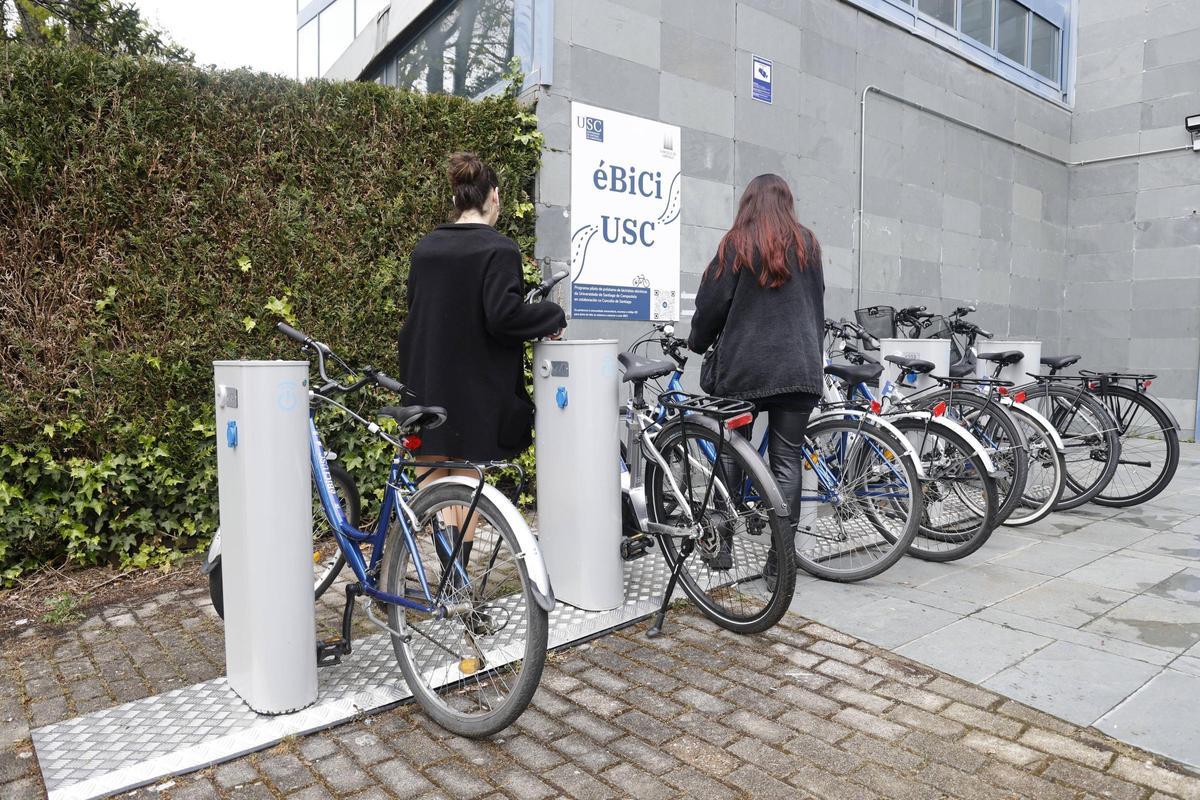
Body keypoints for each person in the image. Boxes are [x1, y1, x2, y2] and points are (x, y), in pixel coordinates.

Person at [398, 151, 565, 581]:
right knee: (467, 489)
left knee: (434, 483)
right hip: (473, 392)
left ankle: (450, 582)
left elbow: (417, 311)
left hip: (424, 381)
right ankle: (458, 583)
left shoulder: (425, 248)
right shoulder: (499, 249)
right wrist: (552, 316)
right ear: (493, 197)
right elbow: (504, 316)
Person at [687, 173, 825, 583]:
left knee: (730, 451)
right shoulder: (808, 245)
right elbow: (816, 304)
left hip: (747, 369)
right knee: (787, 460)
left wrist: (698, 342)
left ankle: (722, 543)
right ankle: (781, 560)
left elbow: (711, 303)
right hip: (799, 368)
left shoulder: (737, 243)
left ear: (748, 203)